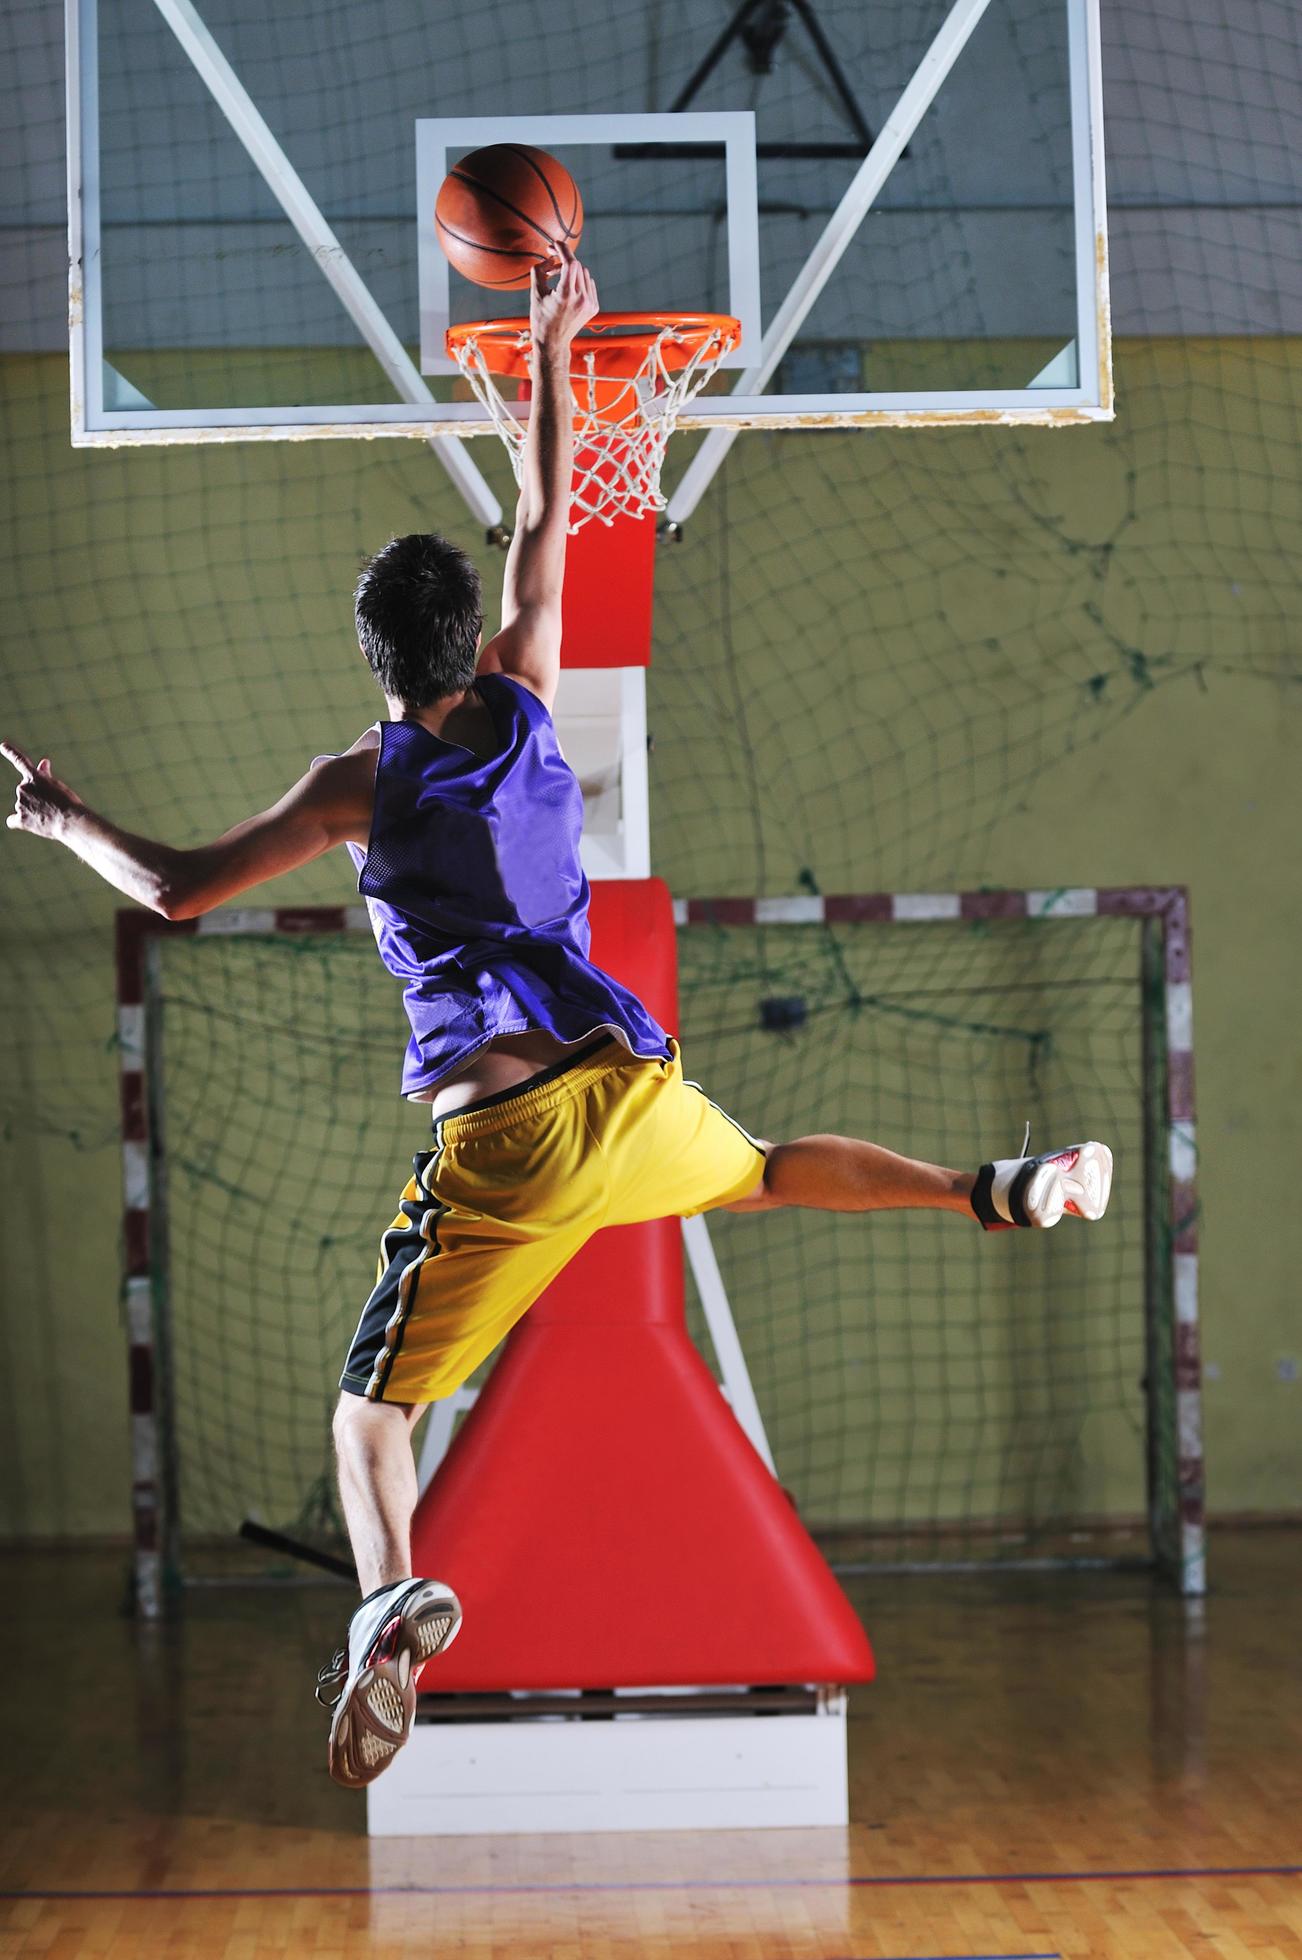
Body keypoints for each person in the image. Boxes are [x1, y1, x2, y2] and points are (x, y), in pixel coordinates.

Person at [3, 252, 1112, 1790]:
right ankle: (987, 1190)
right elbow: (539, 526)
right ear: (468, 641)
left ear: (374, 659)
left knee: (366, 1424)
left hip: (508, 1140)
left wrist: (60, 821)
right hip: (636, 1093)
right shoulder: (529, 694)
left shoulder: (356, 786)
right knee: (776, 1162)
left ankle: (390, 1592)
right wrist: (548, 352)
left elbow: (180, 890)